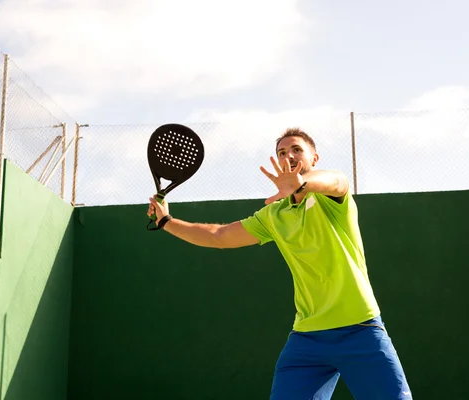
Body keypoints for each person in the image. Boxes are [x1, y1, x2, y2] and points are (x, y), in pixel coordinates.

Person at [148, 127, 412, 399]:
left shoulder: (332, 199)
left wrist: (301, 184)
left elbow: (337, 181)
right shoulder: (274, 215)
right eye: (282, 152)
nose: (289, 155)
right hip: (307, 339)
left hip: (360, 329)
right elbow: (220, 235)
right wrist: (167, 221)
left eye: (297, 149)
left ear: (314, 158)